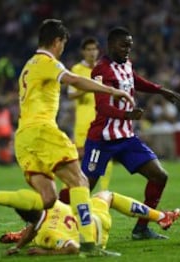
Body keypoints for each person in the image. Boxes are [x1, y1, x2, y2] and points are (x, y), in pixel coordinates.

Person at [0, 19, 134, 256]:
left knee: (48, 199)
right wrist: (113, 90)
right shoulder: (46, 62)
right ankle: (89, 245)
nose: (63, 49)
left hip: (24, 137)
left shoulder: (27, 66)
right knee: (80, 182)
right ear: (57, 41)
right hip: (43, 130)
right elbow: (74, 80)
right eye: (63, 44)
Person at [80, 27, 180, 240]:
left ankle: (141, 228)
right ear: (111, 45)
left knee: (159, 176)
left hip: (126, 138)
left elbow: (135, 80)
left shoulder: (126, 64)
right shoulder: (101, 70)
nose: (128, 49)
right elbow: (101, 106)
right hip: (101, 139)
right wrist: (127, 115)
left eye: (130, 45)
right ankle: (51, 220)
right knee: (82, 189)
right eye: (123, 45)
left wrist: (161, 90)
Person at [0, 190, 180, 256]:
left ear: (24, 218)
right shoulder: (53, 204)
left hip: (93, 233)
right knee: (108, 195)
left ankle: (18, 235)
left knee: (39, 236)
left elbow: (73, 248)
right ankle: (161, 217)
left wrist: (43, 252)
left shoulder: (48, 234)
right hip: (94, 221)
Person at [67, 37, 113, 191]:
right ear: (83, 52)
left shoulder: (104, 68)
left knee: (106, 152)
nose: (92, 52)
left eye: (94, 49)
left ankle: (103, 191)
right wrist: (89, 87)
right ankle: (76, 188)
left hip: (102, 118)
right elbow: (71, 94)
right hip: (83, 120)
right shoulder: (76, 69)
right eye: (89, 49)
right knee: (80, 156)